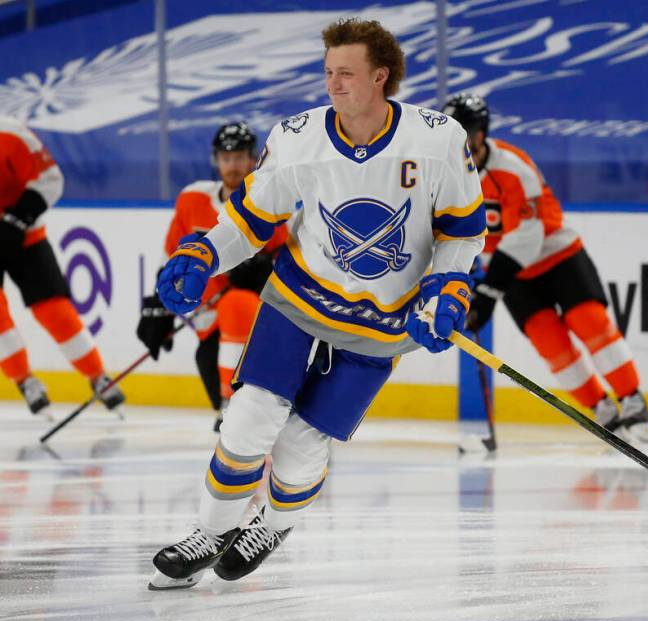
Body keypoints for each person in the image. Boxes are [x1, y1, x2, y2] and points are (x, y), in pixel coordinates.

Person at [147, 18, 485, 590]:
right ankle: (209, 531)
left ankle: (273, 525)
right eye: (328, 71)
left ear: (381, 77)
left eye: (346, 73)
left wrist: (449, 285)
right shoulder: (298, 136)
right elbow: (252, 220)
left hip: (382, 323)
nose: (333, 84)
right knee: (249, 419)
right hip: (298, 301)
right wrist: (206, 252)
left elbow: (463, 229)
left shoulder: (437, 139)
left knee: (302, 448)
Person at [441, 94, 648, 444]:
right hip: (512, 274)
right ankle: (602, 411)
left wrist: (490, 289)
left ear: (481, 135)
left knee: (589, 322)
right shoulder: (445, 176)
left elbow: (528, 234)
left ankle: (633, 401)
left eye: (464, 133)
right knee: (550, 342)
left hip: (557, 255)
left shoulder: (512, 167)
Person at [137, 123, 286, 429]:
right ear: (216, 159)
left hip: (258, 318)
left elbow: (288, 260)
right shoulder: (192, 199)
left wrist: (262, 271)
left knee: (236, 305)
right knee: (207, 361)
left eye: (240, 157)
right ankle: (229, 404)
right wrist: (160, 305)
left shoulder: (270, 199)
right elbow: (173, 259)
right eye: (226, 157)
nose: (233, 165)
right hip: (210, 321)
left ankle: (233, 403)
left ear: (253, 159)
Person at [0, 117, 124, 414]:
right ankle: (24, 380)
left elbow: (50, 179)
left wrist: (17, 220)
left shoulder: (11, 134)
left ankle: (97, 376)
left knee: (53, 309)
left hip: (25, 234)